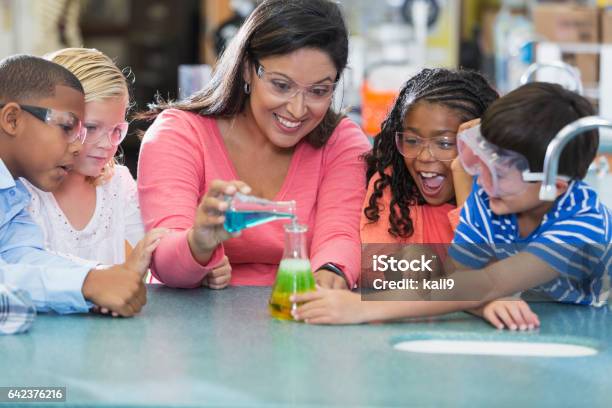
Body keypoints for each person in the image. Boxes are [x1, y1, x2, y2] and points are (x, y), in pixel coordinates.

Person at [292, 83, 609, 329]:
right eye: (480, 164)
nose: (482, 182)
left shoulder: (582, 224)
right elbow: (457, 281)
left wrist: (360, 306)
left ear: (554, 185)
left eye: (499, 173)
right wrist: (484, 304)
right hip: (535, 327)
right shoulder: (492, 200)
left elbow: (486, 282)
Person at [137, 0, 370, 289]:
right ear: (248, 69)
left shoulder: (342, 143)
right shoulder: (179, 135)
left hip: (300, 310)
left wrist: (331, 275)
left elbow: (340, 236)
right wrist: (198, 242)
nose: (297, 110)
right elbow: (165, 264)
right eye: (281, 85)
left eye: (319, 91)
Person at [0, 54, 161, 317]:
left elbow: (24, 257)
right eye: (67, 127)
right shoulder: (27, 192)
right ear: (13, 120)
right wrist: (87, 283)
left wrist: (98, 277)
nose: (77, 145)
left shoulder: (12, 194)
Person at [361, 68, 498, 244]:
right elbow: (377, 267)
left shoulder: (504, 199)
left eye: (444, 143)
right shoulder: (390, 186)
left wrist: (463, 180)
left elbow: (483, 264)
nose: (424, 157)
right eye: (412, 140)